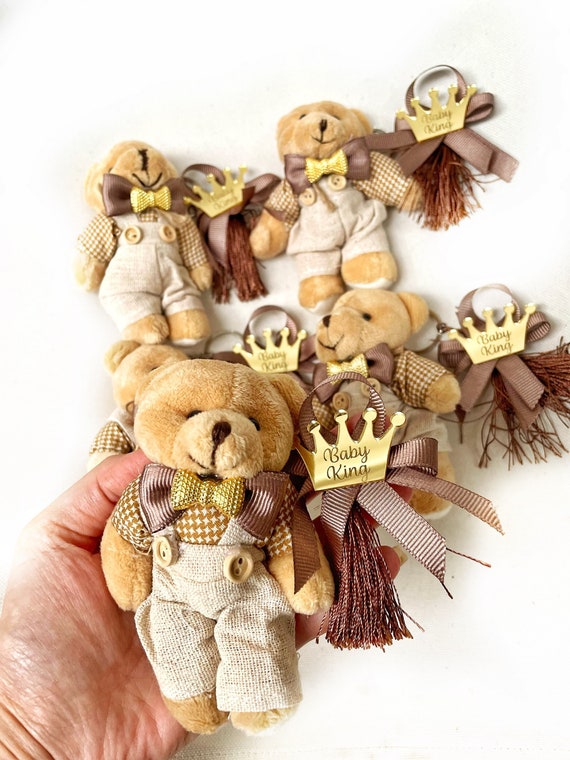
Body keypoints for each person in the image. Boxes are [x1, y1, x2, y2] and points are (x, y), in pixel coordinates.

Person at [0, 450, 401, 759]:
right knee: (175, 639)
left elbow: (287, 541)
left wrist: (305, 582)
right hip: (174, 590)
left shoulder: (265, 494)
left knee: (260, 623)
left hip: (246, 588)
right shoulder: (153, 488)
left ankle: (258, 698)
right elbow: (127, 536)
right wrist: (127, 579)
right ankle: (194, 701)